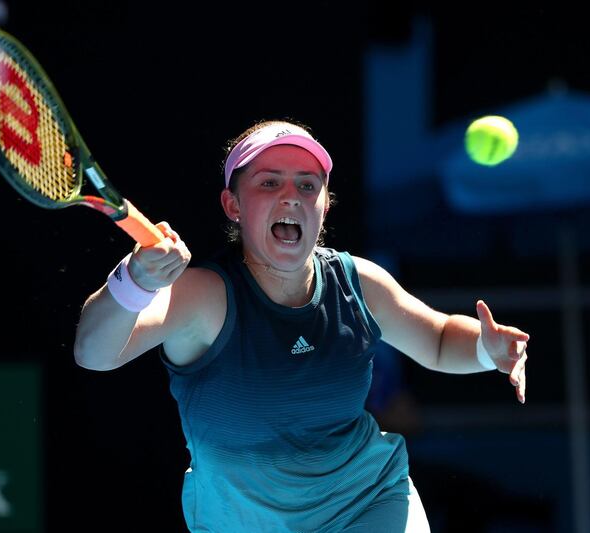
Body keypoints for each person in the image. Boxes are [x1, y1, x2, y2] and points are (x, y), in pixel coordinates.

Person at [73, 119, 530, 532]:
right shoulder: (203, 297)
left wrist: (485, 348)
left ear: (325, 206)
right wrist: (134, 281)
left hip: (367, 505)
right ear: (233, 205)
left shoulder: (360, 285)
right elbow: (94, 354)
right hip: (239, 522)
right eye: (269, 182)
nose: (291, 195)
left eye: (307, 185)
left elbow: (437, 339)